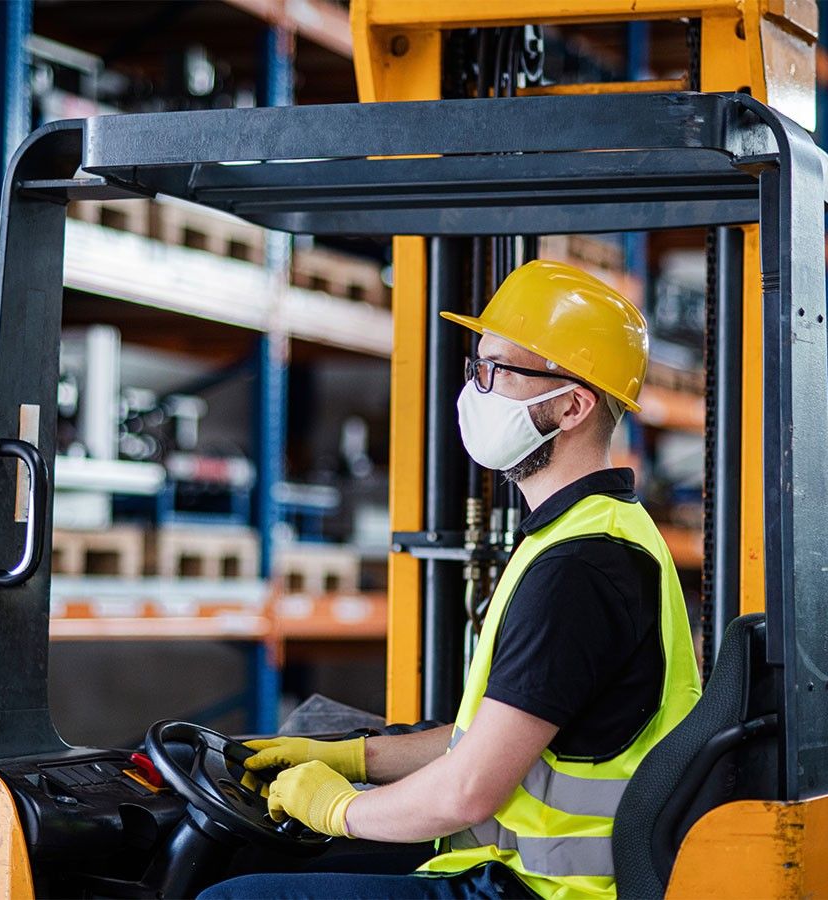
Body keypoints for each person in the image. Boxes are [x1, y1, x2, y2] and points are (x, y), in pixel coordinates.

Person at [200, 260, 702, 899]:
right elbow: (482, 746)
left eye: (498, 372)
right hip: (506, 870)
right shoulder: (581, 534)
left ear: (573, 405)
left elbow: (468, 790)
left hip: (541, 890)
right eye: (477, 367)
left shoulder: (581, 566)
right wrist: (350, 758)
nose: (475, 391)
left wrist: (338, 809)